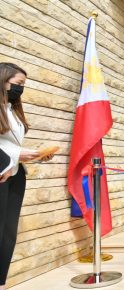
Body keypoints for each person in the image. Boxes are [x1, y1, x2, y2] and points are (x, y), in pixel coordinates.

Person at [0, 63, 54, 289]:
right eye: (18, 84)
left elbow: (9, 143)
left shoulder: (12, 109)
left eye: (23, 85)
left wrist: (31, 155)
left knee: (8, 232)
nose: (21, 90)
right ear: (2, 80)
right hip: (1, 173)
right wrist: (17, 153)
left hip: (14, 174)